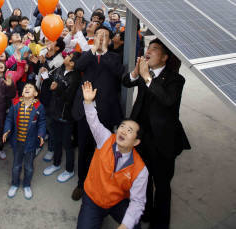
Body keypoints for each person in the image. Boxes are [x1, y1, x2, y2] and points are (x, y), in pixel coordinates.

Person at [122, 38, 191, 229]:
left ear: (165, 57)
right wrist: (137, 73)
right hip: (142, 138)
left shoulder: (176, 79)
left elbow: (168, 100)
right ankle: (146, 212)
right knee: (143, 178)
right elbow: (126, 82)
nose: (148, 51)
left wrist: (147, 77)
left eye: (154, 49)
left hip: (163, 141)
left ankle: (160, 224)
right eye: (148, 48)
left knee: (161, 185)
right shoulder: (145, 74)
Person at [76, 81, 147, 229]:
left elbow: (138, 202)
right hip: (92, 199)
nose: (122, 131)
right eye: (122, 126)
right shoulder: (106, 138)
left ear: (136, 142)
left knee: (134, 226)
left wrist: (125, 225)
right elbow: (93, 121)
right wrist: (88, 102)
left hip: (117, 202)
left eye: (129, 130)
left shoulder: (140, 169)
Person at [71, 25, 124, 201]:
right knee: (84, 149)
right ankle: (81, 183)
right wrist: (94, 51)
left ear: (109, 40)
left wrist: (104, 53)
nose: (101, 37)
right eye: (99, 34)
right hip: (85, 109)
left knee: (102, 151)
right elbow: (78, 66)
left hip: (105, 113)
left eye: (105, 35)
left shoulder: (115, 57)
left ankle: (100, 183)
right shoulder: (88, 54)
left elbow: (118, 73)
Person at [42, 52, 81, 183]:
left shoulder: (75, 77)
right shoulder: (60, 69)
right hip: (55, 112)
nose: (66, 56)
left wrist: (58, 88)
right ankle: (56, 164)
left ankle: (69, 170)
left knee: (67, 144)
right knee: (56, 140)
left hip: (66, 116)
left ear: (72, 63)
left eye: (69, 56)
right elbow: (50, 81)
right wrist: (42, 71)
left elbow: (68, 98)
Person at [3, 83, 46, 200]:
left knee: (28, 167)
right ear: (22, 93)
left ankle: (27, 185)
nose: (27, 88)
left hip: (31, 143)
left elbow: (42, 122)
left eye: (30, 87)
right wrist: (7, 130)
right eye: (25, 87)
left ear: (35, 94)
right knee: (16, 166)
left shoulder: (39, 106)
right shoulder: (15, 104)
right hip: (17, 142)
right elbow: (9, 118)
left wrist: (41, 135)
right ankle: (15, 184)